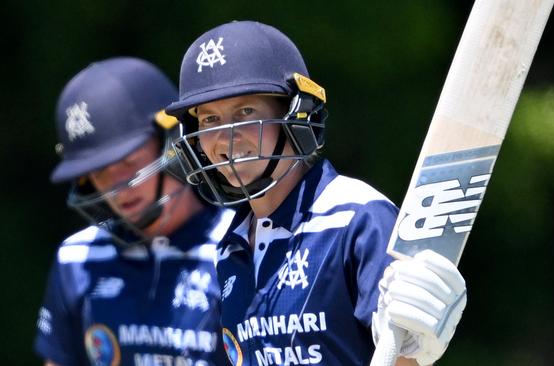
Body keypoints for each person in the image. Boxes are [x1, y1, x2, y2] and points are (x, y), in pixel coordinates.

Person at [166, 21, 467, 366]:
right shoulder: (229, 246)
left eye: (245, 112)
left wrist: (413, 348)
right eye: (209, 120)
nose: (226, 137)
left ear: (295, 114)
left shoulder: (357, 217)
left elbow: (400, 353)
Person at [34, 57, 234, 366]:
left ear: (172, 142)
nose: (117, 188)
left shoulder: (241, 245)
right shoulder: (77, 259)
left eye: (129, 162)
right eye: (99, 172)